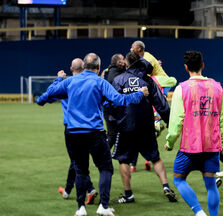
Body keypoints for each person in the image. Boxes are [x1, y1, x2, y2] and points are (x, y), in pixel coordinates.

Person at [37, 53, 149, 216]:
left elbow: (51, 93)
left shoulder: (70, 81)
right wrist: (139, 93)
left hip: (73, 133)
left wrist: (41, 100)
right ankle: (103, 206)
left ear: (83, 66)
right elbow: (119, 100)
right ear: (98, 67)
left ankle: (80, 208)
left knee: (81, 170)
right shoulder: (100, 82)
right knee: (105, 168)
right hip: (94, 133)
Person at [165, 51, 223, 216]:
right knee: (211, 184)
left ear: (186, 67)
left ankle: (199, 212)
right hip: (211, 145)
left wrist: (170, 142)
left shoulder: (181, 89)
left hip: (189, 147)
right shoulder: (217, 87)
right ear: (203, 65)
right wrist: (222, 142)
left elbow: (176, 121)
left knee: (178, 179)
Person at [110, 51, 177, 204]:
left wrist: (114, 123)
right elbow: (161, 104)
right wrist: (168, 122)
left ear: (127, 64)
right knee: (155, 157)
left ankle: (128, 194)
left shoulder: (119, 80)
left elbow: (114, 103)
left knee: (124, 160)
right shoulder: (148, 80)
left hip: (126, 126)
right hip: (146, 125)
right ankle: (166, 187)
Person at [54, 59, 98, 204]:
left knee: (76, 160)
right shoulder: (86, 84)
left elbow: (51, 92)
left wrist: (59, 78)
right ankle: (68, 190)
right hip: (88, 126)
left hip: (72, 128)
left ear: (71, 68)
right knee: (77, 160)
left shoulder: (66, 85)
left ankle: (88, 189)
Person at [130, 40, 177, 171]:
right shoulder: (144, 58)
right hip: (156, 90)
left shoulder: (147, 61)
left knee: (139, 132)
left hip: (156, 87)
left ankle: (135, 163)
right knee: (150, 131)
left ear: (139, 49)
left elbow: (142, 75)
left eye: (133, 47)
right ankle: (158, 124)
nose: (131, 48)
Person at [102, 54, 126, 149]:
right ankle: (102, 157)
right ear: (119, 63)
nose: (125, 61)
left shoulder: (113, 71)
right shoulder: (115, 76)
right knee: (112, 134)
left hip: (111, 108)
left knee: (115, 134)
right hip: (111, 109)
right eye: (123, 59)